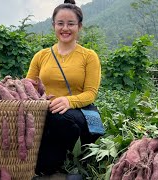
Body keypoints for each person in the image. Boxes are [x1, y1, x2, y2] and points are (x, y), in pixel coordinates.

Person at [26, 0, 102, 177]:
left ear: (79, 26)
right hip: (45, 114)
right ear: (53, 25)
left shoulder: (89, 56)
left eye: (71, 24)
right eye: (60, 23)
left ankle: (67, 159)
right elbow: (29, 86)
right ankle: (52, 161)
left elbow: (91, 93)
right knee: (50, 119)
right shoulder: (41, 56)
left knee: (60, 118)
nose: (65, 28)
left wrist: (68, 101)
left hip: (77, 115)